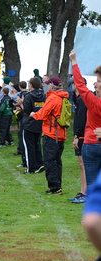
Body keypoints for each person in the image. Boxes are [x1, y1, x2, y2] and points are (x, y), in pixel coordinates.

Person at [31, 76, 68, 195]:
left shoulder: (53, 98)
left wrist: (33, 115)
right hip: (61, 134)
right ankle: (57, 185)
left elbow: (42, 114)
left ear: (52, 85)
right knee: (57, 160)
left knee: (49, 160)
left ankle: (54, 187)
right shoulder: (63, 97)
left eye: (47, 84)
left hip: (52, 133)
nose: (46, 86)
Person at [70, 49, 101, 189]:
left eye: (98, 81)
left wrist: (74, 61)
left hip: (91, 145)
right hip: (91, 144)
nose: (95, 84)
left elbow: (80, 85)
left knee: (93, 187)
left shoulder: (93, 102)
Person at [68, 81, 88, 203]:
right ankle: (82, 191)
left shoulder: (82, 99)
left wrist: (77, 136)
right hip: (81, 135)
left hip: (83, 136)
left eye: (73, 84)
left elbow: (81, 120)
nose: (72, 86)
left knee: (83, 165)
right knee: (82, 165)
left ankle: (85, 193)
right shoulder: (79, 99)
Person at [22, 77, 46, 174]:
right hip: (39, 123)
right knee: (37, 144)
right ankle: (39, 164)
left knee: (29, 147)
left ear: (31, 85)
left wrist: (22, 104)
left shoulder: (28, 96)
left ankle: (30, 168)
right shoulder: (43, 96)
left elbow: (27, 110)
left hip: (29, 123)